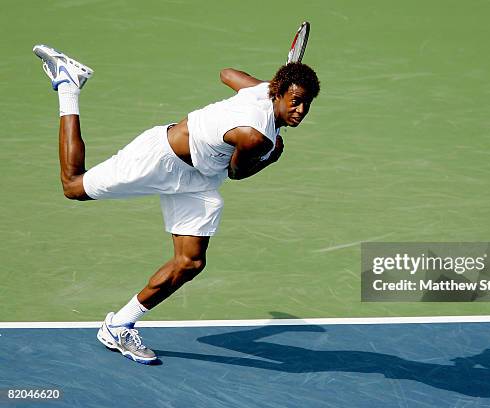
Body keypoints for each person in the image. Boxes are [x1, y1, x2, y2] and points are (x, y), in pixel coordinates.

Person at [32, 44, 320, 364]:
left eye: (307, 103)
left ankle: (118, 325)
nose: (301, 110)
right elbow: (237, 173)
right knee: (73, 186)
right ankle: (69, 85)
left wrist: (266, 88)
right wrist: (270, 158)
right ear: (280, 94)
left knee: (190, 262)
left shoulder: (261, 90)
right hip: (161, 159)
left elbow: (227, 74)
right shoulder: (257, 137)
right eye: (296, 101)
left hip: (199, 180)